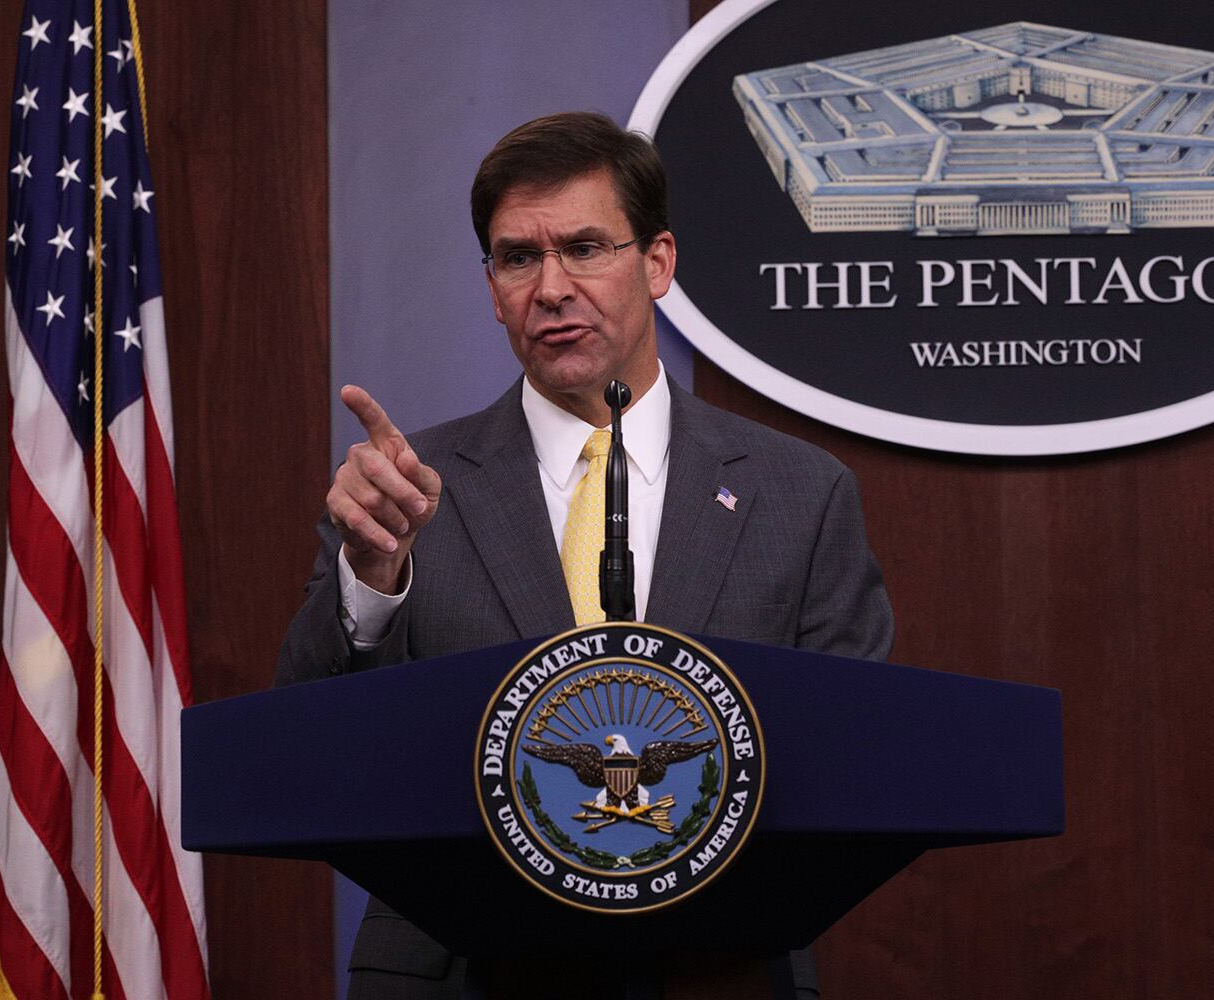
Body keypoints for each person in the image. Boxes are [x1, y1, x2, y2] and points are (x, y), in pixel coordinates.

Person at [276, 111, 893, 1000]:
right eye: (517, 257)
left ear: (658, 263)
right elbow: (307, 751)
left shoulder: (799, 492)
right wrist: (369, 582)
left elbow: (859, 761)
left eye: (586, 247)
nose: (551, 287)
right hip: (459, 973)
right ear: (492, 288)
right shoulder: (401, 493)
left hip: (717, 970)